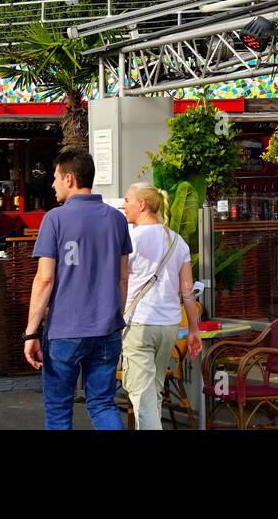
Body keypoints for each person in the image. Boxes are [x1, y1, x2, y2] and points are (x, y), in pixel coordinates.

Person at [25, 148, 132, 430]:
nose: (52, 184)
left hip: (65, 330)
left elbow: (44, 280)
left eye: (56, 177)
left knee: (59, 412)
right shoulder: (117, 219)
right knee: (103, 404)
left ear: (69, 179)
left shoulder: (54, 219)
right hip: (107, 329)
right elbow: (124, 277)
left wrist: (31, 332)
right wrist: (115, 318)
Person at [120, 183, 202, 430]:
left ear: (141, 204)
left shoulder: (129, 240)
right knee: (152, 392)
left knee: (142, 396)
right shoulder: (177, 240)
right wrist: (193, 330)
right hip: (168, 326)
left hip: (139, 324)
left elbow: (120, 281)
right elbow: (187, 292)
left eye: (127, 200)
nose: (123, 205)